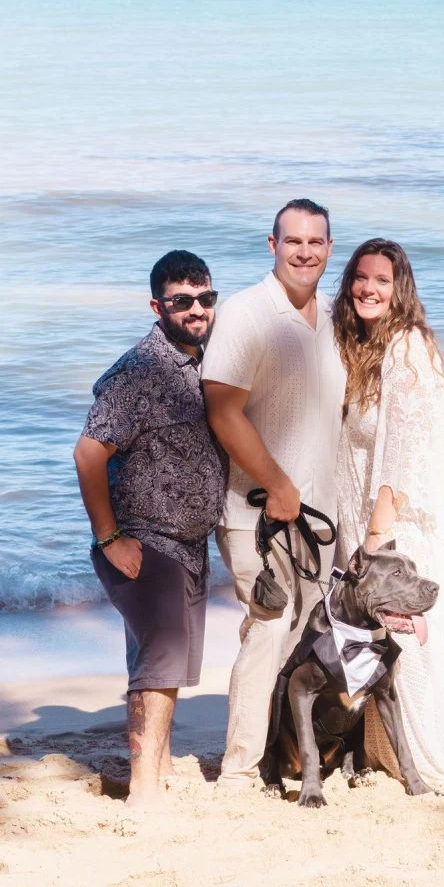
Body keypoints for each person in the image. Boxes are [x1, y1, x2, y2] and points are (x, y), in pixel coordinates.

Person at [333, 238, 444, 786]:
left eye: (382, 280)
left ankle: (424, 756)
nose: (369, 288)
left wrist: (377, 536)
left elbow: (399, 451)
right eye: (361, 277)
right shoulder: (363, 343)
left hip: (395, 523)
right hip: (365, 514)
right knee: (379, 633)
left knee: (408, 636)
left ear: (401, 290)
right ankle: (382, 750)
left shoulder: (406, 347)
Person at [73, 250, 227, 808]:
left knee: (168, 666)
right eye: (181, 300)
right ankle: (144, 790)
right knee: (158, 664)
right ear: (157, 305)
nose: (196, 310)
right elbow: (88, 455)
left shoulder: (204, 362)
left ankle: (157, 768)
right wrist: (112, 538)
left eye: (205, 298)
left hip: (187, 543)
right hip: (144, 537)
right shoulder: (140, 371)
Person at [201, 199, 346, 786]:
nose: (305, 252)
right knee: (267, 626)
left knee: (305, 632)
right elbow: (222, 411)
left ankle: (281, 757)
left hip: (320, 512)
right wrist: (278, 484)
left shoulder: (336, 313)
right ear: (272, 244)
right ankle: (238, 769)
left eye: (316, 242)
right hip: (256, 510)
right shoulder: (244, 314)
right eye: (293, 242)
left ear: (330, 249)